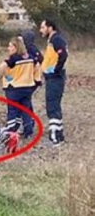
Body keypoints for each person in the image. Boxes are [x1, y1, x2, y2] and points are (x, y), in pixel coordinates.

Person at [40, 18, 68, 146]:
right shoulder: (51, 40)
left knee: (52, 106)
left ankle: (55, 138)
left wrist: (55, 70)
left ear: (50, 27)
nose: (41, 30)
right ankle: (59, 134)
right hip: (51, 77)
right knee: (53, 105)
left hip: (55, 78)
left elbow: (63, 55)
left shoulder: (57, 39)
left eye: (43, 27)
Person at [1, 36, 37, 139]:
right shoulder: (30, 57)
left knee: (12, 110)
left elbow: (2, 67)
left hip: (14, 88)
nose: (8, 48)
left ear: (16, 47)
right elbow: (37, 66)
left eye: (10, 46)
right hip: (27, 87)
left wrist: (7, 76)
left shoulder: (13, 58)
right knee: (26, 110)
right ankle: (28, 132)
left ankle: (11, 131)